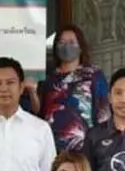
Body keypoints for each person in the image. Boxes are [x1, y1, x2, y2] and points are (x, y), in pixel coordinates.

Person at [30, 24, 110, 152]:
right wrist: (32, 92)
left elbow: (104, 113)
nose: (67, 46)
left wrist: (102, 146)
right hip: (52, 147)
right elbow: (40, 113)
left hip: (83, 147)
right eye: (62, 42)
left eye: (72, 42)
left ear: (81, 47)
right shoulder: (50, 79)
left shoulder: (94, 75)